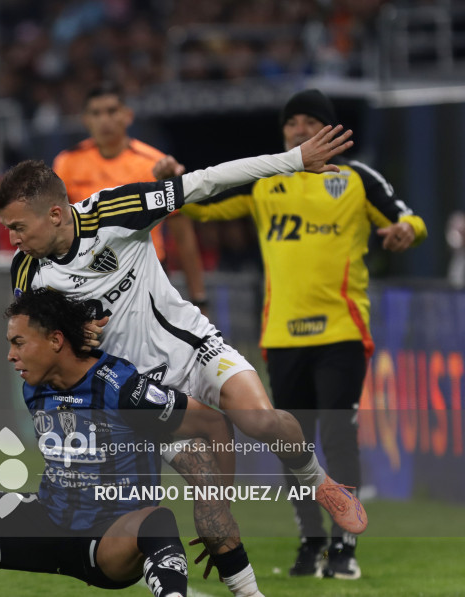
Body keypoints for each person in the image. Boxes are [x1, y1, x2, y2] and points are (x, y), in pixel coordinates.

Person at [0, 124, 368, 592]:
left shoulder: (114, 212)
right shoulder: (28, 271)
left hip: (193, 349)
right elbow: (40, 339)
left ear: (55, 214)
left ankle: (316, 479)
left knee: (261, 421)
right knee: (210, 507)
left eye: (18, 227)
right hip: (143, 393)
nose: (12, 240)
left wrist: (294, 159)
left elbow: (206, 180)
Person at [176, 89, 427, 580]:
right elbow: (202, 208)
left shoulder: (356, 180)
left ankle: (344, 548)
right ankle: (311, 543)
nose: (298, 129)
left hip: (341, 332)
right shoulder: (266, 181)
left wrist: (407, 233)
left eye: (311, 120)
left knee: (337, 433)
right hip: (282, 336)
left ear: (331, 131)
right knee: (293, 445)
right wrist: (172, 182)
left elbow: (409, 217)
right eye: (291, 122)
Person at [0, 288, 257, 597]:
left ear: (55, 340)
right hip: (47, 519)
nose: (11, 355)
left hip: (111, 539)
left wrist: (219, 512)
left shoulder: (123, 389)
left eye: (19, 343)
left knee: (157, 521)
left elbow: (214, 423)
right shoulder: (33, 386)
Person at [53, 82, 208, 305]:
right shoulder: (67, 164)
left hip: (146, 271)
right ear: (85, 120)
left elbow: (182, 234)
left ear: (128, 116)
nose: (104, 120)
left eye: (112, 111)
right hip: (88, 275)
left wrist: (199, 298)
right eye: (96, 113)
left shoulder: (155, 165)